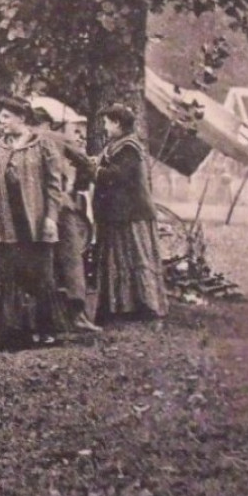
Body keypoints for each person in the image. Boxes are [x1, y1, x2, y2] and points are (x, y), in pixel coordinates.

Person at [0, 95, 69, 348]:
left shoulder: (43, 146)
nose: (1, 123)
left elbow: (54, 186)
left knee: (40, 274)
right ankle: (10, 332)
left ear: (22, 118)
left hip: (34, 220)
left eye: (6, 117)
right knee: (3, 272)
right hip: (4, 221)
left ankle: (47, 330)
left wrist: (51, 217)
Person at [93, 103, 169, 324]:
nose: (105, 127)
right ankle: (123, 307)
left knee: (136, 257)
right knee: (120, 258)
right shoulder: (117, 145)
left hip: (132, 215)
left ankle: (145, 307)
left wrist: (93, 170)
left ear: (117, 123)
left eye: (106, 123)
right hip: (118, 214)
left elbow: (117, 175)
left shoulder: (129, 148)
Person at [33, 105, 101, 334]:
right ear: (48, 122)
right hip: (61, 205)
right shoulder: (58, 138)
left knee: (42, 259)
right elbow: (87, 165)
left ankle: (45, 317)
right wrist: (76, 185)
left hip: (31, 208)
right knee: (71, 258)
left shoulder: (17, 141)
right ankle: (76, 314)